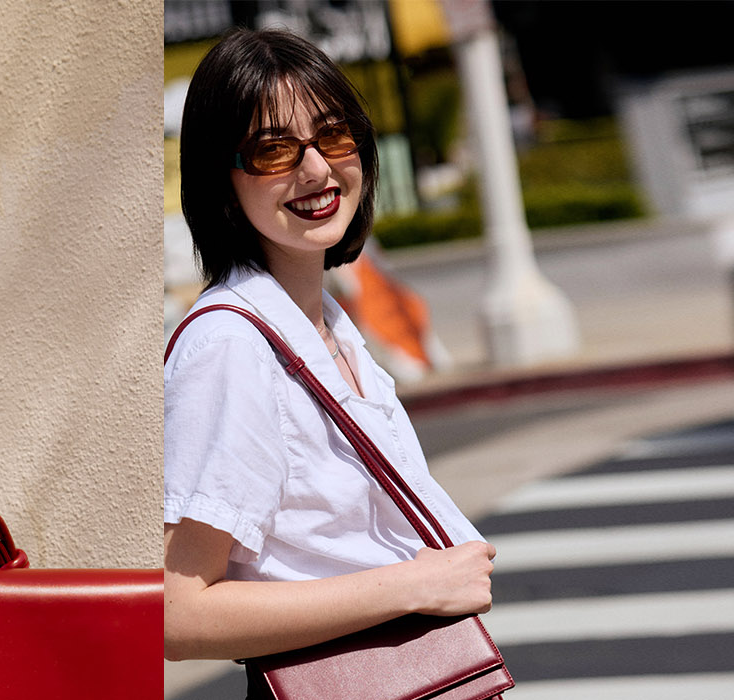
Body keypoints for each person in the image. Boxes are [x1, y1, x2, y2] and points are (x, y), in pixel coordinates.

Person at [162, 27, 497, 695]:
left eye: (334, 136)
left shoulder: (327, 325)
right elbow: (176, 612)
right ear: (222, 180)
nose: (316, 170)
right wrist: (414, 584)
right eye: (273, 150)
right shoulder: (232, 346)